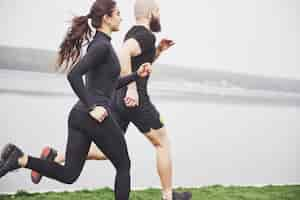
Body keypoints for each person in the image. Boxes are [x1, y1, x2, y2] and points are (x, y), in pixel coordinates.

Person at [31, 0, 192, 199]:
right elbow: (124, 53)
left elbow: (135, 61)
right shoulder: (146, 35)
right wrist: (132, 89)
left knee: (107, 150)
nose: (159, 14)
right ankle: (168, 196)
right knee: (162, 143)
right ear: (151, 13)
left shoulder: (133, 34)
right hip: (135, 100)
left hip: (115, 99)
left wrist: (157, 52)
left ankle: (56, 158)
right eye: (158, 11)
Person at [0, 0, 152, 199]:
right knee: (124, 165)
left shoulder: (101, 45)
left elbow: (108, 85)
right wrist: (92, 108)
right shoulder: (101, 47)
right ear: (106, 18)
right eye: (118, 13)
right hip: (93, 115)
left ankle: (20, 158)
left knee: (69, 174)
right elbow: (74, 75)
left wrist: (136, 76)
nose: (121, 17)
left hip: (79, 116)